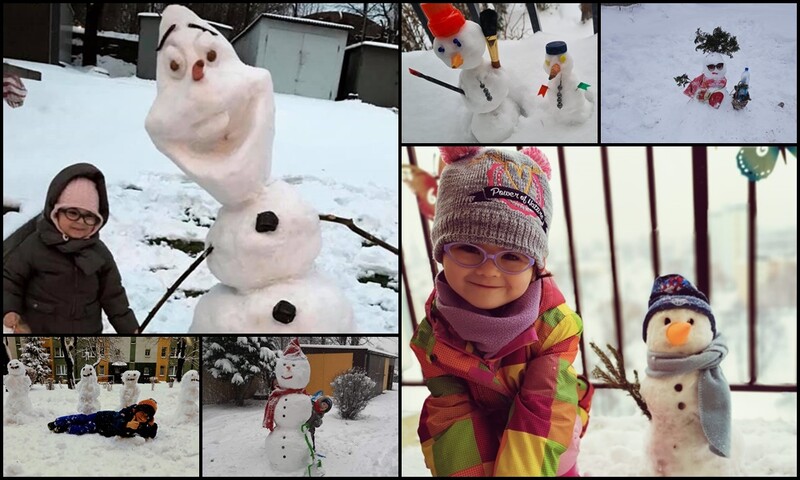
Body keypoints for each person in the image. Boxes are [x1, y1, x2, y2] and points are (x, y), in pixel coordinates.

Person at [409, 147, 594, 477]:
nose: (489, 271)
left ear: (535, 267)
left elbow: (544, 410)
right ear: (441, 252)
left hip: (546, 445)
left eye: (511, 256)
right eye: (468, 249)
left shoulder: (554, 328)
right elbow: (452, 418)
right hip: (481, 439)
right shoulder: (433, 336)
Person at [3, 163, 139, 334]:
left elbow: (114, 297)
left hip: (85, 341)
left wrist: (130, 330)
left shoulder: (99, 254)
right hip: (40, 338)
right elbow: (10, 281)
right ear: (55, 212)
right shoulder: (34, 247)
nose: (80, 222)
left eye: (89, 217)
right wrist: (10, 311)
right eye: (73, 213)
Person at [48, 398, 158, 439]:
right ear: (137, 409)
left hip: (102, 428)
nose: (143, 418)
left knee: (84, 428)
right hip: (100, 417)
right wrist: (126, 425)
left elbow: (149, 434)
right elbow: (117, 421)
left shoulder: (141, 425)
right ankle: (58, 422)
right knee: (82, 418)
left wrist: (152, 426)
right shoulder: (126, 413)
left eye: (147, 417)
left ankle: (65, 428)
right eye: (143, 413)